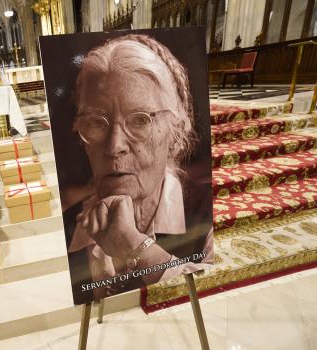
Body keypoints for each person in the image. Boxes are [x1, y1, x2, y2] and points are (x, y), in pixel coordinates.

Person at [63, 34, 213, 303]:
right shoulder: (69, 225)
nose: (114, 146)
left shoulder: (206, 211)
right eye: (97, 123)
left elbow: (217, 293)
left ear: (176, 133)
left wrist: (132, 245)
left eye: (140, 120)